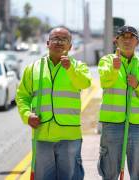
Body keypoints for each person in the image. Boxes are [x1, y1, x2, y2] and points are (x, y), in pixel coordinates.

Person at [16, 27, 91, 180]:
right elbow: (22, 96)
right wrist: (26, 115)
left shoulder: (79, 66)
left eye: (64, 40)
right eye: (55, 39)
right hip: (42, 136)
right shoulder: (33, 68)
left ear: (70, 46)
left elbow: (85, 83)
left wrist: (70, 69)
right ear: (47, 43)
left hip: (69, 136)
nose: (59, 42)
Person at [97, 25, 139, 180]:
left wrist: (138, 86)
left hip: (137, 127)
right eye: (123, 37)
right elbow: (104, 82)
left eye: (131, 37)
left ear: (137, 42)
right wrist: (114, 69)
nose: (127, 41)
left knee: (138, 172)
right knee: (110, 171)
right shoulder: (106, 61)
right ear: (116, 41)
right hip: (112, 125)